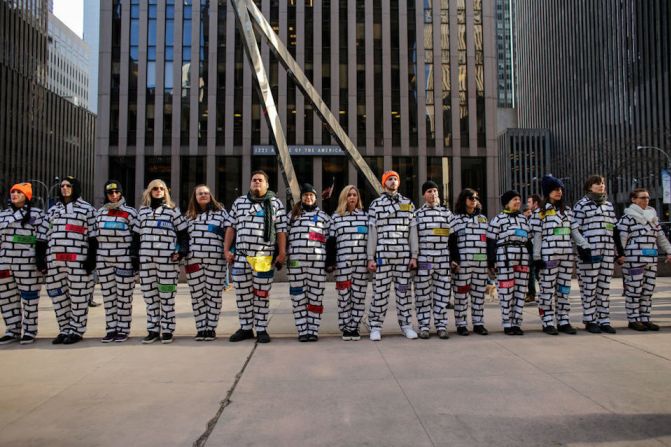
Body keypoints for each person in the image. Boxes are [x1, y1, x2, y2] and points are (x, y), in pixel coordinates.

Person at [224, 171, 287, 344]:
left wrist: (282, 253)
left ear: (267, 184)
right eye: (254, 180)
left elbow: (281, 230)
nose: (256, 182)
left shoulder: (275, 203)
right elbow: (231, 228)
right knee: (243, 295)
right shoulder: (239, 202)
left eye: (260, 180)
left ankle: (261, 328)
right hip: (241, 257)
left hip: (264, 257)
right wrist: (226, 250)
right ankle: (245, 328)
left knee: (261, 294)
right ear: (250, 184)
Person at [37, 176, 98, 345]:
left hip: (77, 262)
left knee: (78, 298)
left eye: (68, 186)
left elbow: (93, 238)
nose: (64, 188)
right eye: (62, 185)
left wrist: (91, 260)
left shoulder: (88, 210)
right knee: (59, 298)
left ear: (75, 188)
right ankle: (64, 329)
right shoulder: (52, 210)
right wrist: (41, 259)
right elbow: (42, 237)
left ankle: (76, 330)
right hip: (54, 262)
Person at [530, 175, 588, 335]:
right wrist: (536, 257)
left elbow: (574, 231)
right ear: (548, 192)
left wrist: (584, 245)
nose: (559, 192)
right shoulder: (540, 213)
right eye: (555, 189)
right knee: (547, 290)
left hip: (566, 256)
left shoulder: (567, 211)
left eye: (561, 189)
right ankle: (547, 321)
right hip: (548, 256)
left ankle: (564, 320)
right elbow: (537, 236)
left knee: (564, 289)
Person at [134, 179, 189, 344]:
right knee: (150, 297)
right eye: (155, 189)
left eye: (161, 189)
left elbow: (183, 234)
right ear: (149, 191)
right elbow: (136, 237)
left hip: (167, 263)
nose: (158, 191)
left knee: (167, 296)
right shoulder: (142, 212)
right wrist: (134, 257)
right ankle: (152, 330)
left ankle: (167, 330)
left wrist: (181, 253)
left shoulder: (173, 211)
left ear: (166, 192)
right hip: (146, 262)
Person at [367, 170, 418, 341]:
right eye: (390, 179)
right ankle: (375, 326)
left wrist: (414, 255)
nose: (393, 181)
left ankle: (406, 326)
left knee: (403, 292)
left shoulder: (408, 204)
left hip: (403, 256)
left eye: (396, 178)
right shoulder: (376, 204)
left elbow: (413, 231)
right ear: (383, 183)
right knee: (380, 293)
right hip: (383, 256)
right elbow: (372, 232)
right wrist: (370, 257)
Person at [616, 188, 671, 331]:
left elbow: (661, 238)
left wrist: (669, 251)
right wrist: (619, 255)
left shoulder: (652, 217)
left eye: (647, 197)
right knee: (634, 290)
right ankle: (634, 319)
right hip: (634, 260)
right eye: (642, 197)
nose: (645, 200)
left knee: (647, 290)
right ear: (633, 200)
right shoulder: (627, 218)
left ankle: (645, 318)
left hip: (651, 260)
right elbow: (621, 238)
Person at [573, 175, 619, 334]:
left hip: (607, 250)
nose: (601, 186)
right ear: (589, 187)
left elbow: (613, 228)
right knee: (589, 287)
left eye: (603, 183)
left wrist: (616, 251)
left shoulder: (608, 205)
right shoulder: (581, 205)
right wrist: (582, 249)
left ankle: (604, 320)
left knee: (604, 287)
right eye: (597, 184)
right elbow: (575, 230)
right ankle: (590, 319)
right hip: (589, 251)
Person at [412, 180, 458, 339]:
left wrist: (454, 259)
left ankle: (441, 325)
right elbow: (414, 239)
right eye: (429, 191)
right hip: (424, 259)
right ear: (424, 194)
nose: (433, 194)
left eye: (435, 191)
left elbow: (453, 238)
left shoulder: (446, 214)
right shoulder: (417, 215)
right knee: (423, 294)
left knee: (442, 294)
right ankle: (424, 326)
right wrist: (415, 258)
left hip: (443, 260)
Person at [0, 183, 44, 344]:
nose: (15, 194)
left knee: (29, 299)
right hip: (5, 262)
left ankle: (30, 330)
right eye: (13, 192)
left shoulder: (37, 215)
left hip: (27, 263)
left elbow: (42, 239)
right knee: (6, 298)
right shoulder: (3, 215)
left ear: (27, 196)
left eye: (19, 192)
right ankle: (12, 330)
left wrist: (41, 260)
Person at [95, 180, 138, 343]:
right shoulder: (99, 213)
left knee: (124, 296)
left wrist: (134, 259)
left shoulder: (131, 212)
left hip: (124, 259)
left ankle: (123, 329)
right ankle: (111, 328)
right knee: (108, 295)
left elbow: (136, 237)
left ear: (121, 193)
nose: (113, 195)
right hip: (103, 259)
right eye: (110, 193)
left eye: (116, 192)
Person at [287, 183, 331, 342]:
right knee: (298, 296)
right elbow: (283, 236)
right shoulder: (292, 215)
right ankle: (302, 330)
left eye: (311, 195)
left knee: (316, 297)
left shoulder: (324, 217)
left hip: (317, 264)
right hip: (296, 263)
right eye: (305, 195)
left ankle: (313, 330)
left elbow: (330, 239)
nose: (308, 197)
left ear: (315, 197)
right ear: (302, 197)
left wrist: (330, 262)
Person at [185, 184, 228, 341]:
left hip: (215, 261)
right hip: (193, 261)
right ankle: (201, 327)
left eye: (206, 193)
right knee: (197, 296)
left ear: (211, 196)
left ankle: (211, 328)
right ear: (195, 197)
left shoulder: (221, 214)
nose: (203, 195)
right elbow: (183, 238)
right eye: (200, 193)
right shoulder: (189, 216)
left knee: (214, 295)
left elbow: (228, 235)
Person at [487, 190, 531, 335]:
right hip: (505, 257)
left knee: (520, 290)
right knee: (506, 290)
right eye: (514, 199)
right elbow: (491, 241)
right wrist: (491, 261)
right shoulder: (498, 219)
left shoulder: (524, 219)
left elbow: (529, 241)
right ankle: (507, 323)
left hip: (522, 257)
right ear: (506, 203)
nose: (518, 202)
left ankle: (517, 323)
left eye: (519, 199)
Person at [327, 185, 368, 341]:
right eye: (349, 195)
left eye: (355, 195)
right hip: (343, 265)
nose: (352, 198)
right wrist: (330, 263)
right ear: (344, 197)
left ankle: (354, 327)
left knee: (358, 296)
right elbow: (331, 242)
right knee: (344, 297)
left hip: (360, 264)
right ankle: (345, 327)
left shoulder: (365, 217)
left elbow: (371, 240)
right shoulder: (336, 217)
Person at [451, 188, 490, 336]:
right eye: (470, 198)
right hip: (463, 265)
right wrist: (454, 260)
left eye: (475, 198)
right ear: (464, 200)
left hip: (480, 264)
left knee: (479, 294)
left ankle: (478, 323)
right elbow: (452, 242)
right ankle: (461, 324)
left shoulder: (483, 219)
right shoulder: (455, 219)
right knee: (461, 295)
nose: (474, 200)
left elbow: (489, 242)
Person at [525, 194, 542, 303]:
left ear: (535, 203)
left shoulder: (539, 214)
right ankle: (532, 294)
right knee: (532, 272)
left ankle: (541, 293)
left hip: (538, 249)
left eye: (529, 202)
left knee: (537, 272)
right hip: (532, 248)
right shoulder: (533, 215)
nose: (528, 204)